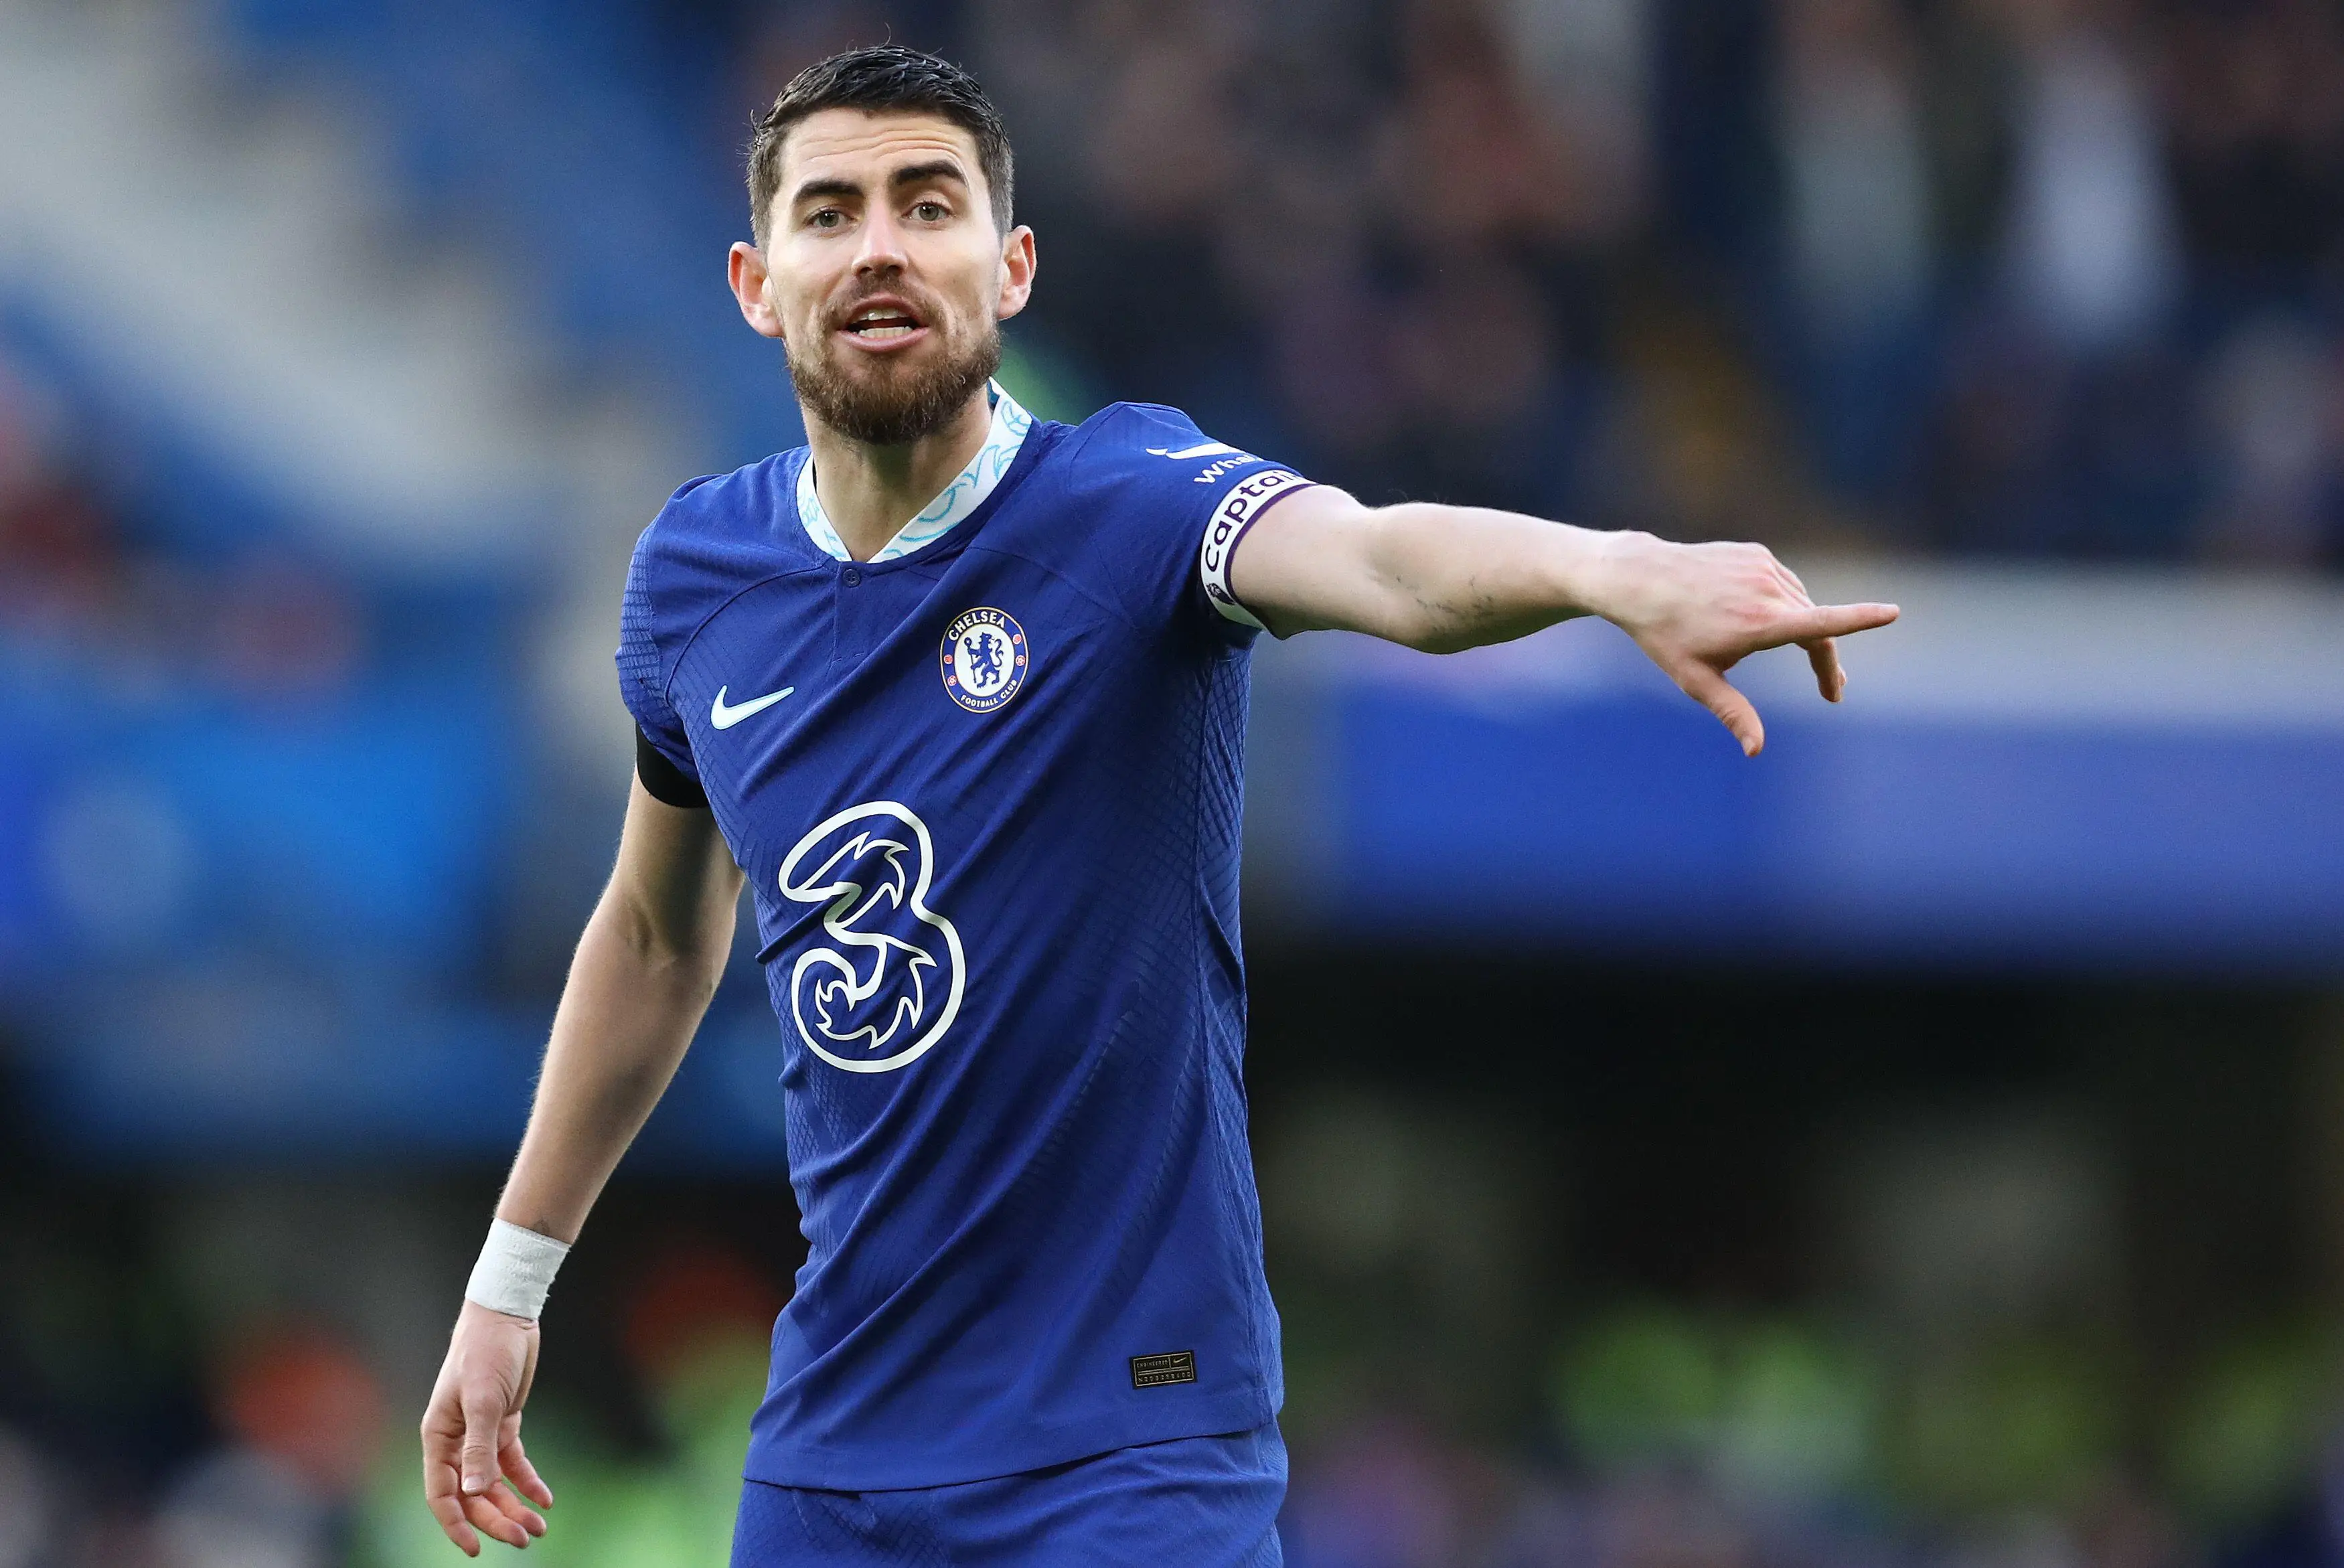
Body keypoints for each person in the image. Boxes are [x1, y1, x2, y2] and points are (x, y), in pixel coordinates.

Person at [418, 45, 1898, 1567]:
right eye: (831, 211)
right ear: (754, 278)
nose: (878, 246)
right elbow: (661, 936)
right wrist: (507, 1283)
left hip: (1126, 1449)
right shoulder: (694, 578)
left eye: (928, 205)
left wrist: (1609, 570)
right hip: (835, 1451)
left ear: (1012, 267)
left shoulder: (1129, 504)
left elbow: (1385, 562)